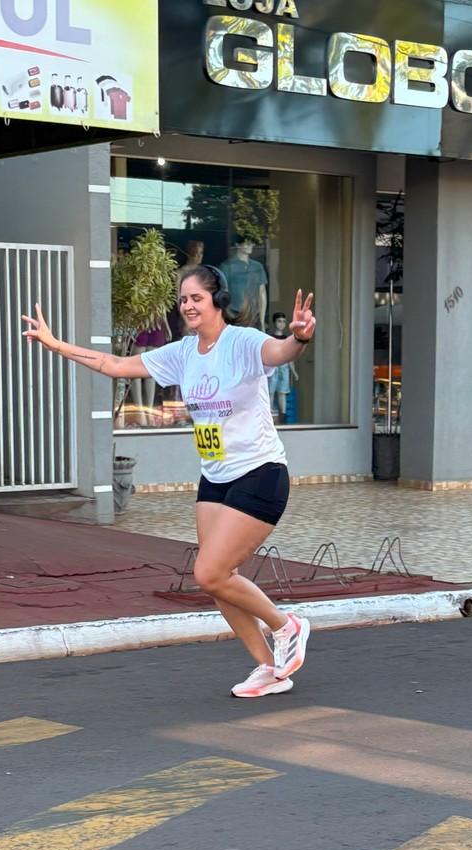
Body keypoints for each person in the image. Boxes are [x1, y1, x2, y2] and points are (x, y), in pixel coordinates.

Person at [22, 264, 314, 698]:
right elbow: (116, 365)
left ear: (218, 299)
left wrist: (300, 337)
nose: (188, 305)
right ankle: (270, 669)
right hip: (214, 477)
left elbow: (280, 353)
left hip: (259, 473)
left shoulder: (242, 342)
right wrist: (55, 343)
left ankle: (286, 624)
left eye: (196, 297)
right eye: (182, 299)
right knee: (216, 579)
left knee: (210, 572)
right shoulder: (181, 352)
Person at [266, 312, 298, 423]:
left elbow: (290, 357)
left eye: (284, 321)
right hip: (273, 366)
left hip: (284, 367)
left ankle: (283, 414)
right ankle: (270, 413)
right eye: (279, 321)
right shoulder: (269, 338)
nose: (282, 324)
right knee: (271, 391)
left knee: (282, 392)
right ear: (274, 322)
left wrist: (293, 371)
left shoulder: (287, 339)